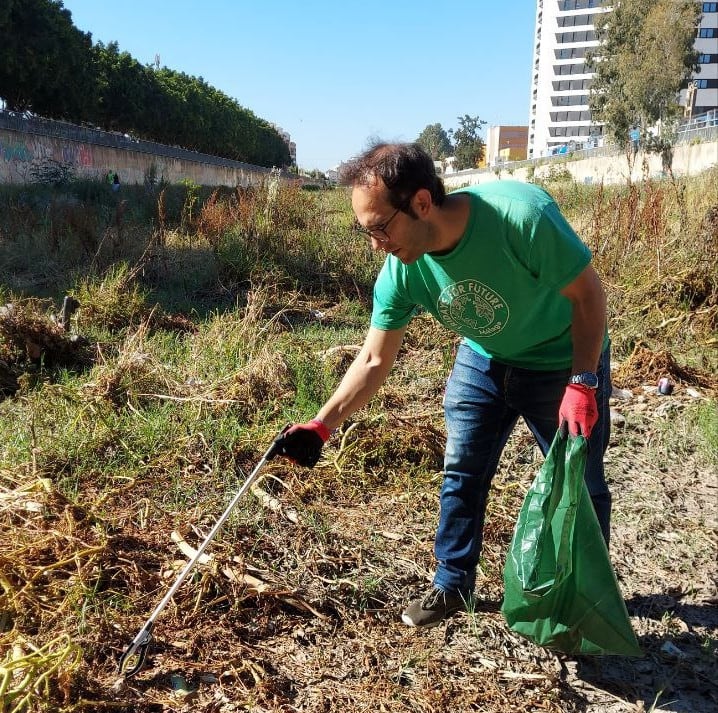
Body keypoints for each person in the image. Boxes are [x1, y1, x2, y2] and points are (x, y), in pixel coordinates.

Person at [271, 142, 612, 629]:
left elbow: (589, 295)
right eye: (365, 232)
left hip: (563, 357)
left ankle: (586, 601)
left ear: (422, 203)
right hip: (485, 356)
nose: (376, 245)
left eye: (380, 228)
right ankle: (452, 584)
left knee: (579, 479)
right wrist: (322, 426)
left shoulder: (522, 217)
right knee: (463, 470)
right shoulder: (401, 272)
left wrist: (583, 381)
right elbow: (372, 359)